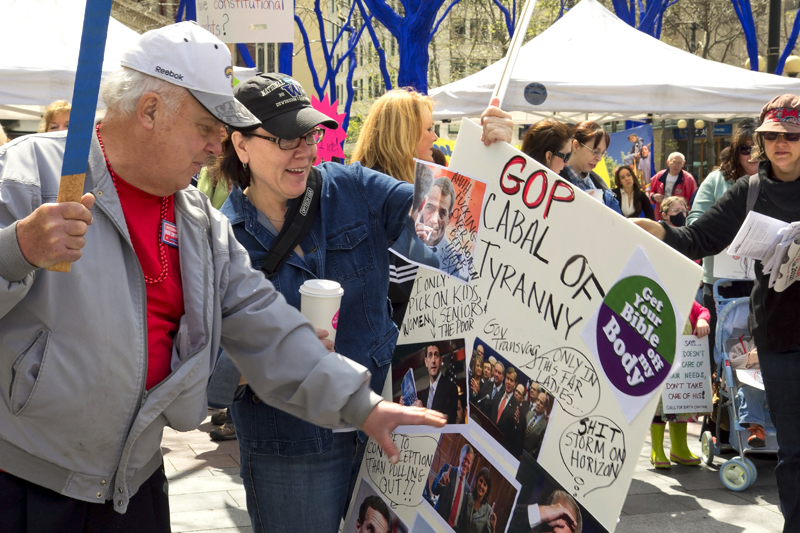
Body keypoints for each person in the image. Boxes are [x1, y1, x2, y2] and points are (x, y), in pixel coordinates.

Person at [0, 23, 446, 532]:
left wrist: (362, 406)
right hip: (25, 483)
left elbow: (266, 327)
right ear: (150, 111)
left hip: (132, 486)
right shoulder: (32, 173)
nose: (217, 148)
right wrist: (17, 250)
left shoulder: (199, 222)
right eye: (207, 128)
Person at [632, 94, 800, 531]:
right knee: (794, 450)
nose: (780, 143)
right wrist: (659, 229)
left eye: (791, 135)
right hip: (780, 336)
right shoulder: (751, 190)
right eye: (771, 136)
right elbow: (698, 239)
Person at [351, 89, 512, 326]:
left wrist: (497, 153)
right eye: (428, 129)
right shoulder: (372, 198)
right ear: (403, 136)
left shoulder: (408, 190)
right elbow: (406, 283)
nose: (435, 137)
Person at [688, 119, 759, 371]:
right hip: (722, 281)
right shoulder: (717, 180)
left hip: (764, 281)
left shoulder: (777, 181)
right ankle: (721, 389)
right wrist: (723, 233)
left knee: (755, 356)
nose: (752, 155)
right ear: (736, 150)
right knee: (721, 351)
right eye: (746, 149)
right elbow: (694, 222)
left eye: (758, 148)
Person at [649, 296, 711, 468]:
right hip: (659, 360)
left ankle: (679, 448)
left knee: (681, 404)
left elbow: (703, 310)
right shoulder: (654, 295)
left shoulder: (685, 297)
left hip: (684, 364)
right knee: (659, 407)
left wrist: (702, 320)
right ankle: (656, 450)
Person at [560, 121, 622, 214]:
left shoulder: (599, 184)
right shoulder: (554, 181)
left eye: (603, 153)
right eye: (595, 151)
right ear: (576, 146)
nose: (599, 158)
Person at [415, 175, 469, 279]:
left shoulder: (452, 263)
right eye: (430, 207)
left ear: (449, 218)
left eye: (442, 213)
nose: (434, 220)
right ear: (422, 206)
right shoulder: (407, 237)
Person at [415, 344, 459, 424]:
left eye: (436, 355)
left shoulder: (450, 388)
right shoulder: (424, 396)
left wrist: (424, 414)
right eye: (430, 356)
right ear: (426, 362)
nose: (433, 360)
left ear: (441, 361)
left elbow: (448, 422)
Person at [432, 444, 474, 527]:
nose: (466, 464)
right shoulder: (447, 470)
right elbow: (434, 490)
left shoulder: (467, 490)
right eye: (465, 459)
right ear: (460, 457)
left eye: (469, 462)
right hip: (436, 523)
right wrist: (441, 483)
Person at [648, 152, 697, 221]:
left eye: (679, 163)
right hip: (661, 215)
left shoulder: (689, 179)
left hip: (680, 218)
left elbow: (694, 200)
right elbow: (649, 191)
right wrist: (653, 197)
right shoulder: (659, 176)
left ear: (683, 163)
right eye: (673, 162)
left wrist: (687, 215)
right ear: (668, 163)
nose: (676, 165)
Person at [491, 367, 523, 457]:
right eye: (507, 379)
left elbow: (516, 435)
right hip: (489, 438)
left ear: (515, 384)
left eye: (511, 380)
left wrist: (516, 422)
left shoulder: (516, 406)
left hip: (502, 447)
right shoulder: (498, 395)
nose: (508, 382)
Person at [460, 467, 497, 533]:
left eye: (485, 484)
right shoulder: (468, 497)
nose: (481, 486)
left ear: (487, 490)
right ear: (477, 480)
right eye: (481, 481)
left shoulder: (488, 510)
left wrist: (493, 528)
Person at [524, 390, 550, 459]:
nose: (538, 403)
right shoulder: (529, 414)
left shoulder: (544, 426)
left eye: (541, 402)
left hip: (527, 457)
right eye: (538, 400)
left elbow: (538, 449)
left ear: (545, 407)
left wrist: (526, 457)